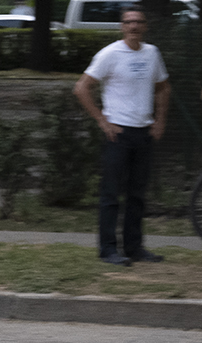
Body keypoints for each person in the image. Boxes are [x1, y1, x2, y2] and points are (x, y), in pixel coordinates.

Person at [73, 5, 170, 267]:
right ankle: (108, 250)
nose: (134, 26)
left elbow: (163, 88)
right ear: (122, 27)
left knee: (137, 195)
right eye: (129, 22)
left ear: (145, 26)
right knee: (111, 194)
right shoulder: (110, 54)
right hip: (118, 133)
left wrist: (159, 120)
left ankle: (135, 248)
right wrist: (102, 121)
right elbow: (81, 88)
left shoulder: (152, 53)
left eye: (138, 21)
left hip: (144, 132)